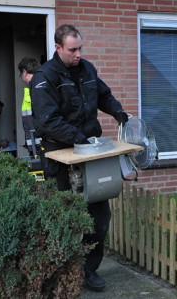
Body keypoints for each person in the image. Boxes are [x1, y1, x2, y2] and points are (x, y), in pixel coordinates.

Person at [30, 24, 129, 292]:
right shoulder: (44, 77)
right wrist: (79, 138)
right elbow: (48, 121)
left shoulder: (87, 69)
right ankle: (62, 272)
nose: (77, 54)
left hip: (90, 154)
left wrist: (119, 113)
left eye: (80, 48)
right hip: (59, 156)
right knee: (64, 216)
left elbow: (104, 95)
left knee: (99, 216)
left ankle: (89, 270)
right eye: (72, 49)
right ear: (58, 48)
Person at [17, 57, 41, 155]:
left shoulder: (37, 88)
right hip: (35, 145)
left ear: (24, 72)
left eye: (21, 74)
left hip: (41, 146)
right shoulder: (33, 88)